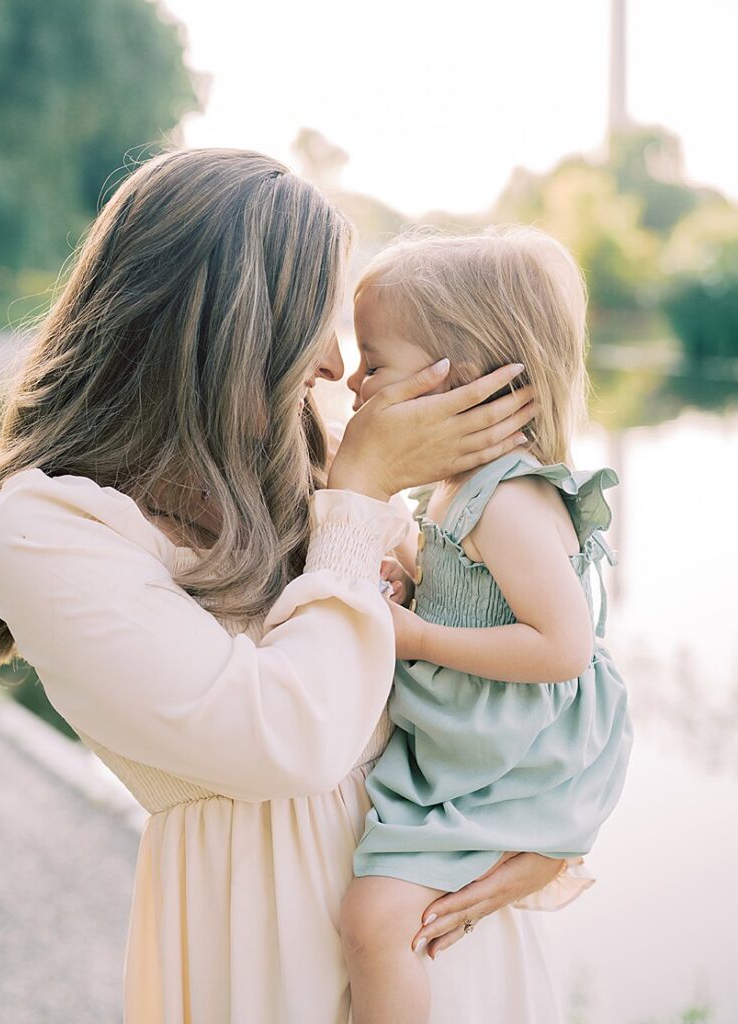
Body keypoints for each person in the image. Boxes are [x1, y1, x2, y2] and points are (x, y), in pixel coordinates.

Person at [0, 150, 583, 1024]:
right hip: (261, 947)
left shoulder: (309, 461)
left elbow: (519, 649)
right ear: (227, 331)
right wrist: (362, 497)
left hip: (434, 921)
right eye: (314, 328)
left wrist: (559, 823)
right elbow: (287, 739)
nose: (337, 368)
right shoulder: (48, 528)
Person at [341, 228, 633, 1024]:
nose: (354, 384)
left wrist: (420, 639)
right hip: (472, 742)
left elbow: (564, 647)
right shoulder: (456, 489)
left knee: (373, 921)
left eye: (376, 363)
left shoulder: (506, 500)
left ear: (463, 381)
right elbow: (478, 595)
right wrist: (419, 592)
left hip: (514, 760)